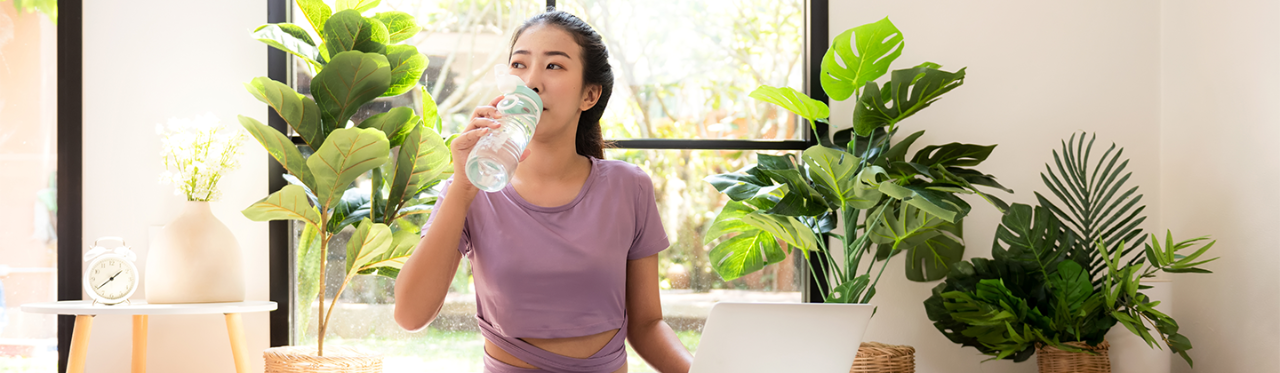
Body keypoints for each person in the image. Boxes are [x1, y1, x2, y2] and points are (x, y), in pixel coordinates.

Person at [394, 9, 694, 373]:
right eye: (519, 65)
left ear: (590, 95)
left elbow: (647, 325)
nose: (531, 82)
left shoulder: (629, 187)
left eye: (554, 66)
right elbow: (410, 315)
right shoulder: (469, 189)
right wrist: (462, 188)